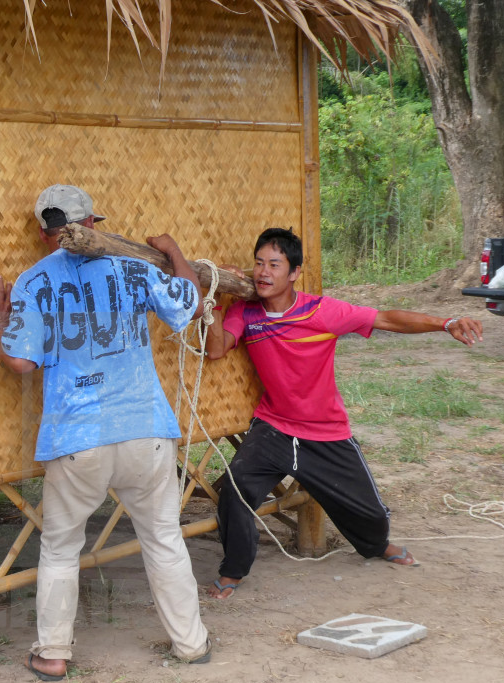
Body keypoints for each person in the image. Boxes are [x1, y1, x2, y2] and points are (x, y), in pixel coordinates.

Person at [0, 184, 212, 680]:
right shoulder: (135, 267)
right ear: (92, 226)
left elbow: (20, 363)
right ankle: (191, 644)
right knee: (164, 538)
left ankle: (53, 654)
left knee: (63, 547)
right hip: (144, 429)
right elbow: (192, 303)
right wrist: (172, 251)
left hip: (77, 438)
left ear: (46, 235)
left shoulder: (32, 282)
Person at [203, 227, 484, 598]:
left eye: (274, 264)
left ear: (294, 272)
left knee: (371, 516)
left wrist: (444, 323)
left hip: (325, 431)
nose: (263, 273)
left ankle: (376, 545)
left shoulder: (321, 311)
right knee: (235, 492)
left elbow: (386, 319)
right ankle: (233, 570)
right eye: (258, 263)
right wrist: (215, 295)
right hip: (274, 428)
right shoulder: (246, 312)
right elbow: (216, 349)